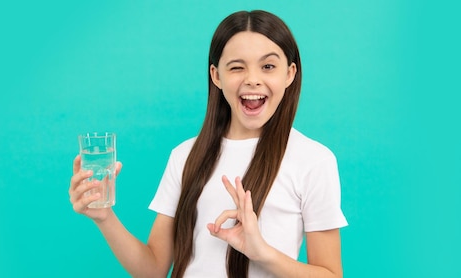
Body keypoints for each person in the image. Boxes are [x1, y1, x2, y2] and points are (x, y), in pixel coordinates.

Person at [69, 10, 347, 278]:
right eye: (237, 67)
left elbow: (331, 274)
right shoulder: (185, 155)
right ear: (216, 75)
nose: (252, 79)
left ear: (289, 74)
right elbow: (152, 269)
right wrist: (104, 217)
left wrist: (261, 252)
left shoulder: (313, 160)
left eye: (268, 66)